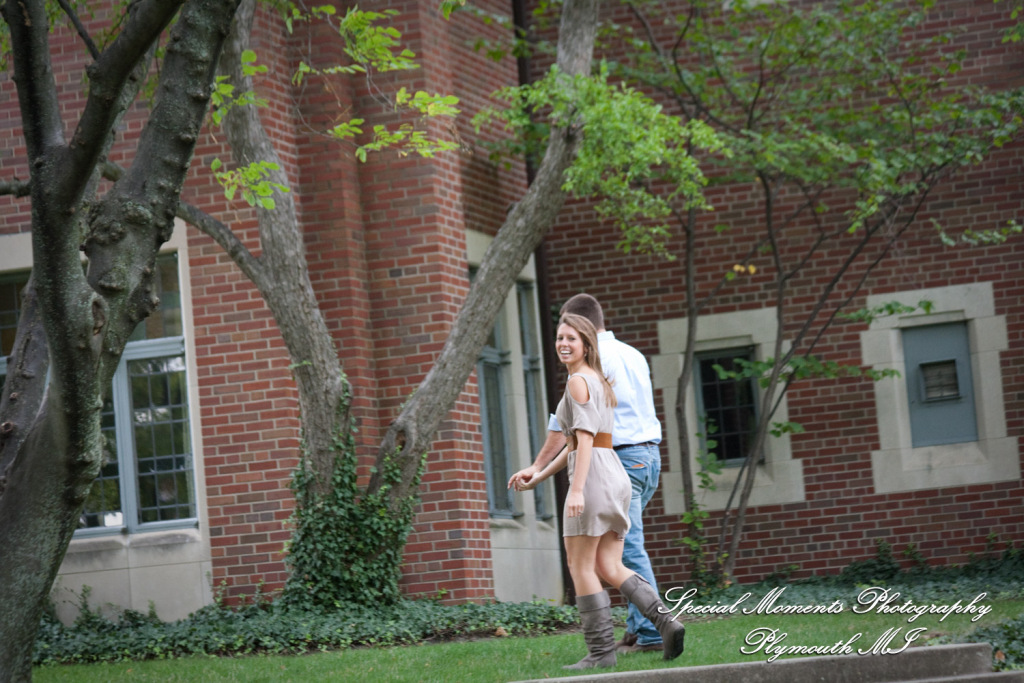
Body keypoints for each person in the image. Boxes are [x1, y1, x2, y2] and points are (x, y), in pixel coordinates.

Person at [510, 313, 684, 670]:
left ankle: (601, 653)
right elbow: (578, 442)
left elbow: (584, 441)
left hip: (593, 478)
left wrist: (575, 491)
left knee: (580, 566)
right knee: (609, 564)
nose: (563, 344)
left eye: (571, 338)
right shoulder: (597, 379)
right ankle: (667, 622)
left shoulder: (578, 382)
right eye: (559, 338)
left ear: (587, 344)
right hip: (613, 474)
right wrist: (540, 475)